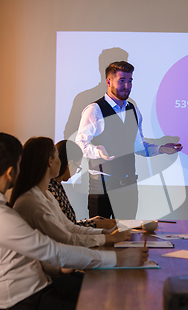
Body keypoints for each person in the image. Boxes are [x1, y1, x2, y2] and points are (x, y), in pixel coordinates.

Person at [0, 132, 148, 310]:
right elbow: (54, 250)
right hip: (28, 307)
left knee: (106, 299)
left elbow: (26, 256)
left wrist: (58, 269)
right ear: (10, 172)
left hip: (34, 295)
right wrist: (118, 259)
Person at [76, 61, 182, 219]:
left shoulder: (134, 110)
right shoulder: (94, 110)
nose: (127, 86)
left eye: (130, 81)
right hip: (102, 186)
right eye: (121, 81)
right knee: (100, 236)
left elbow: (138, 147)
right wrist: (98, 151)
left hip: (129, 185)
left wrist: (161, 149)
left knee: (128, 236)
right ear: (108, 81)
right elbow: (80, 143)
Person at [10, 137, 130, 247]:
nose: (60, 161)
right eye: (58, 157)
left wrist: (106, 233)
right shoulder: (34, 200)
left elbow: (70, 228)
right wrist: (108, 238)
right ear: (50, 161)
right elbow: (67, 238)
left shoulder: (46, 195)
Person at [48, 140, 117, 229]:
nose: (76, 172)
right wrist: (95, 224)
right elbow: (66, 229)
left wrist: (92, 222)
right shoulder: (51, 189)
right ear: (69, 164)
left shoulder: (57, 185)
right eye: (78, 167)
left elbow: (70, 224)